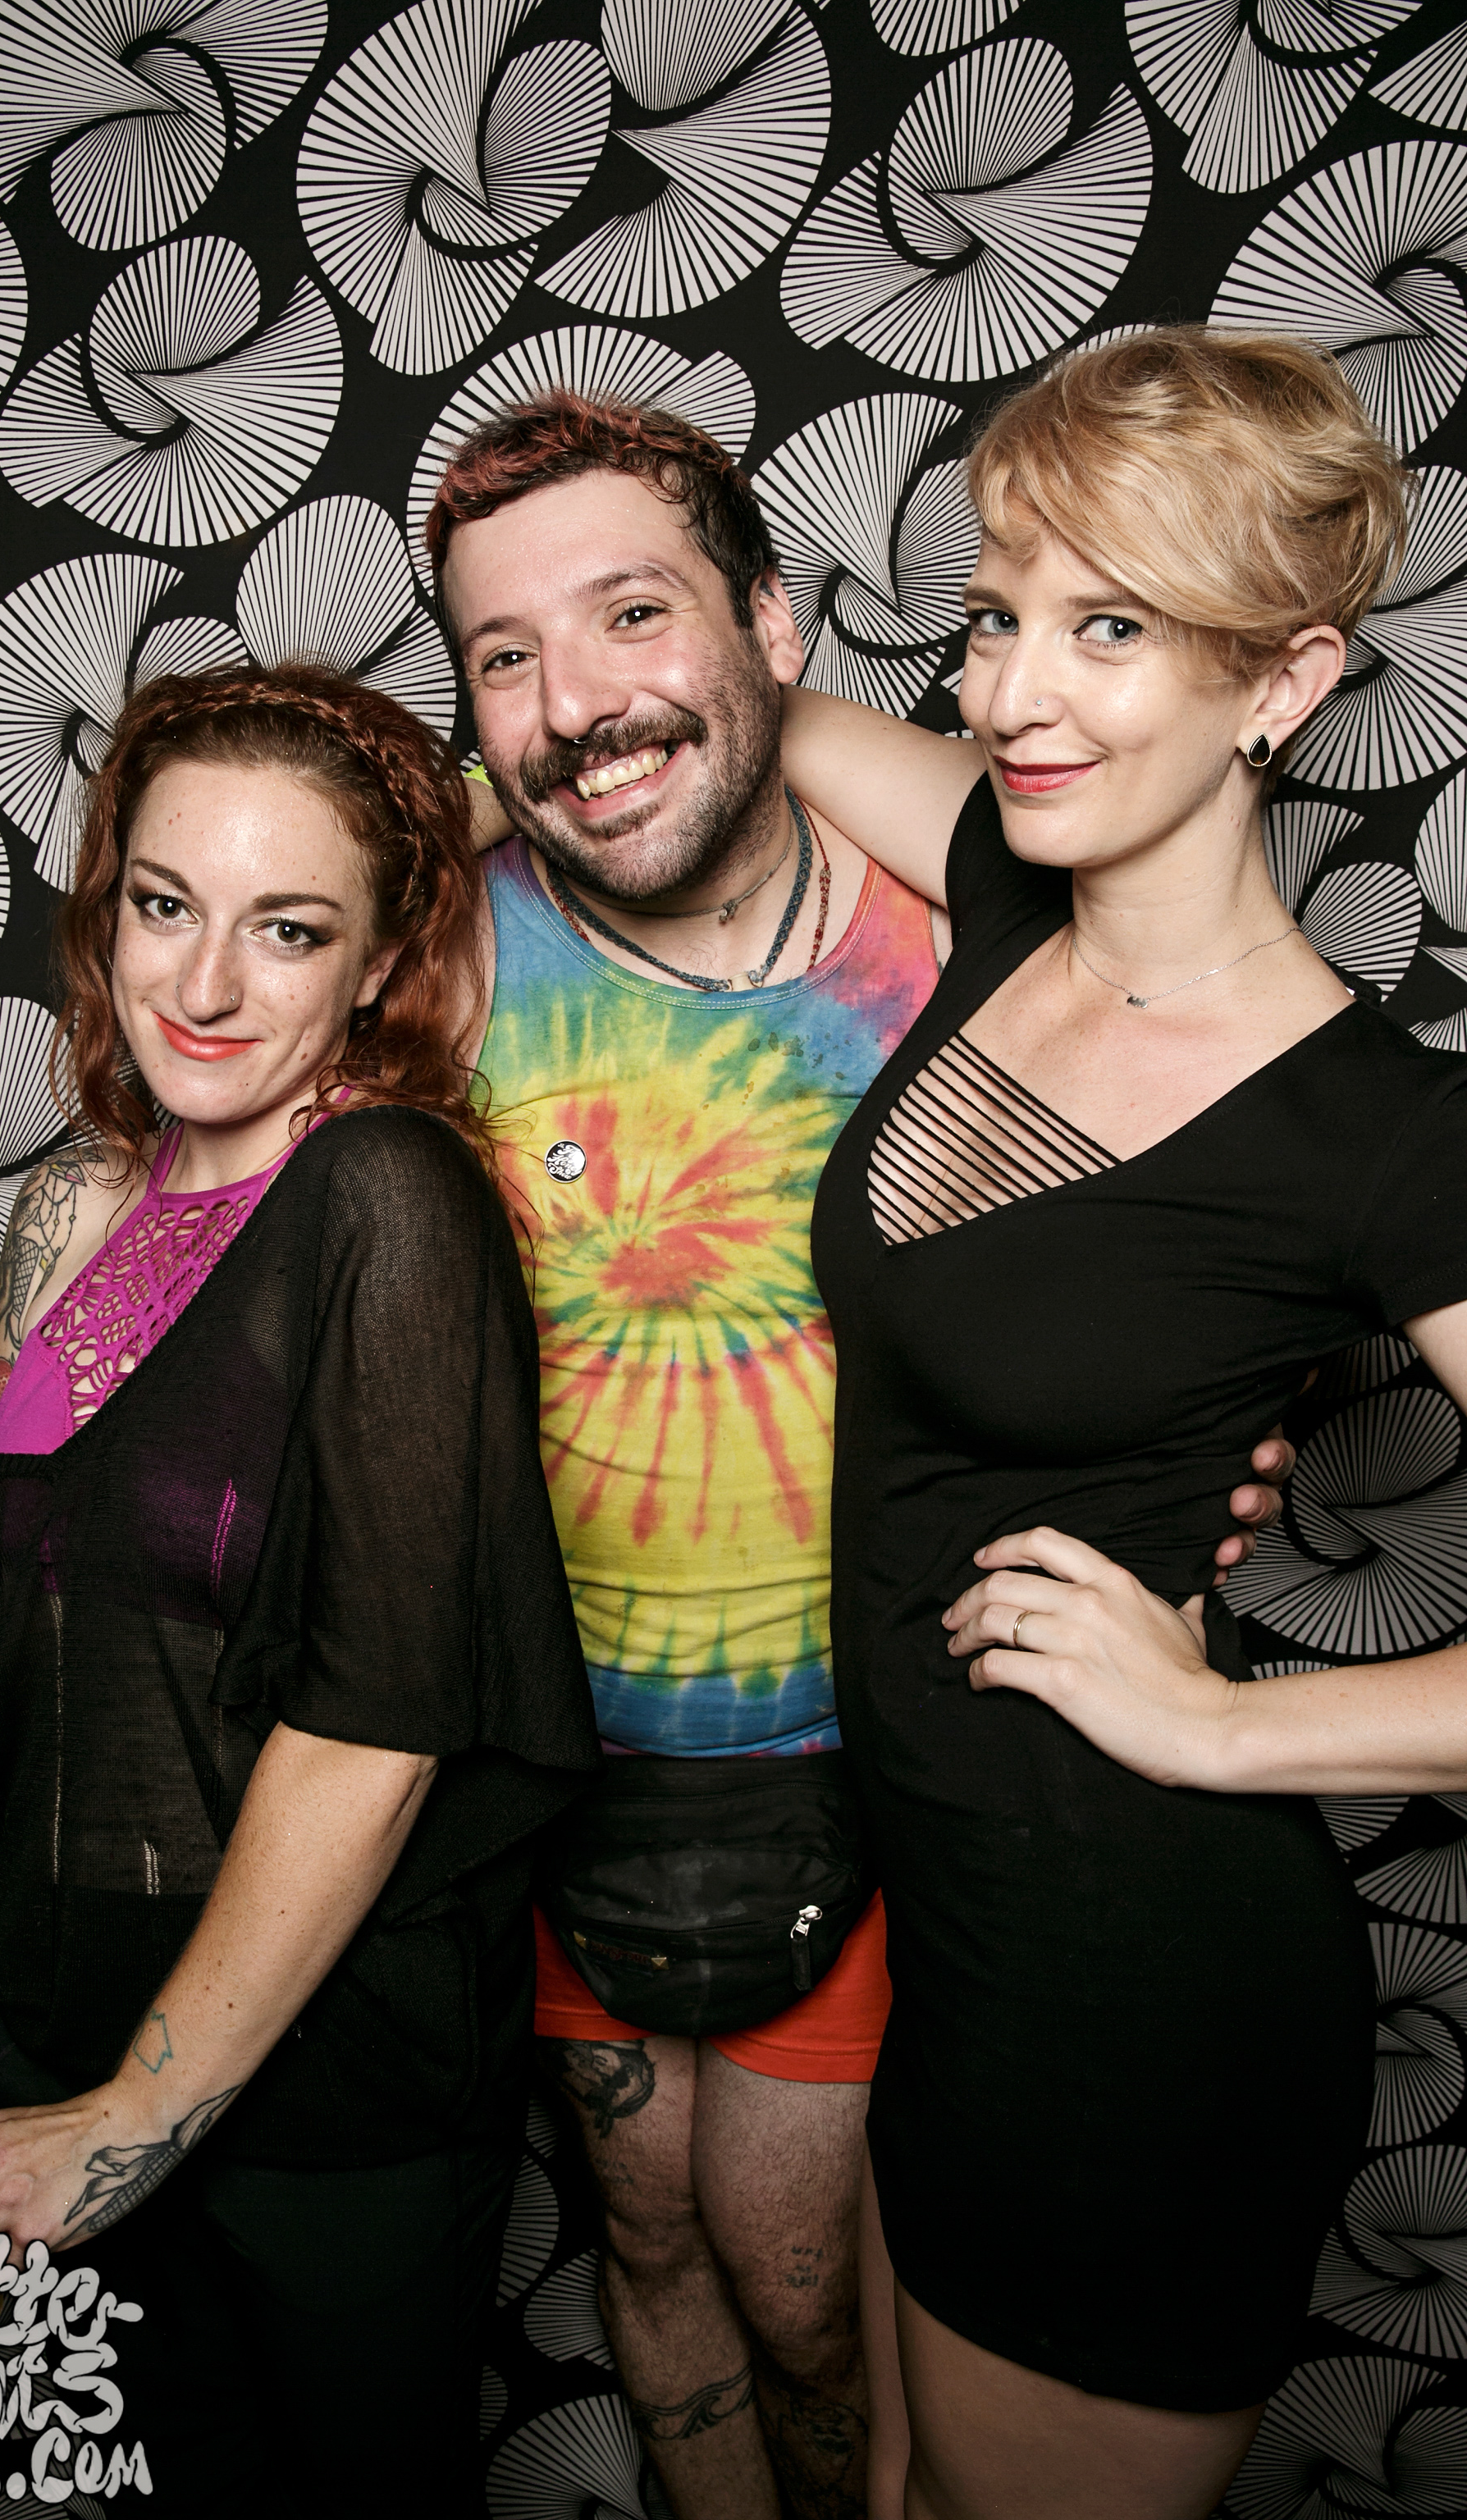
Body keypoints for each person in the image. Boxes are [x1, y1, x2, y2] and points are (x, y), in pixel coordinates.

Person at [430, 390, 1293, 2520]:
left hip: (880, 1754)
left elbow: (1189, 1208)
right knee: (647, 2246)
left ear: (774, 621)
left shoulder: (979, 930)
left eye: (633, 612)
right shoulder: (427, 944)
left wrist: (1187, 1432)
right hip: (542, 1754)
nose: (572, 700)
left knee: (807, 2284)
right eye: (505, 653)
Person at [0, 663, 599, 2516]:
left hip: (307, 2102)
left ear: (378, 965)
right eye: (165, 905)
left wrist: (125, 2127)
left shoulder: (392, 1195)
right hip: (22, 2049)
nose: (206, 985)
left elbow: (377, 1728)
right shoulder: (71, 1209)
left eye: (288, 928)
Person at [784, 327, 1467, 2520]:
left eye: (1111, 629)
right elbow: (721, 708)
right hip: (955, 1924)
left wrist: (1223, 1729)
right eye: (996, 616)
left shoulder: (1381, 1139)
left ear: (1284, 679)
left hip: (1136, 1989)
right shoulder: (1011, 890)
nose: (1010, 693)